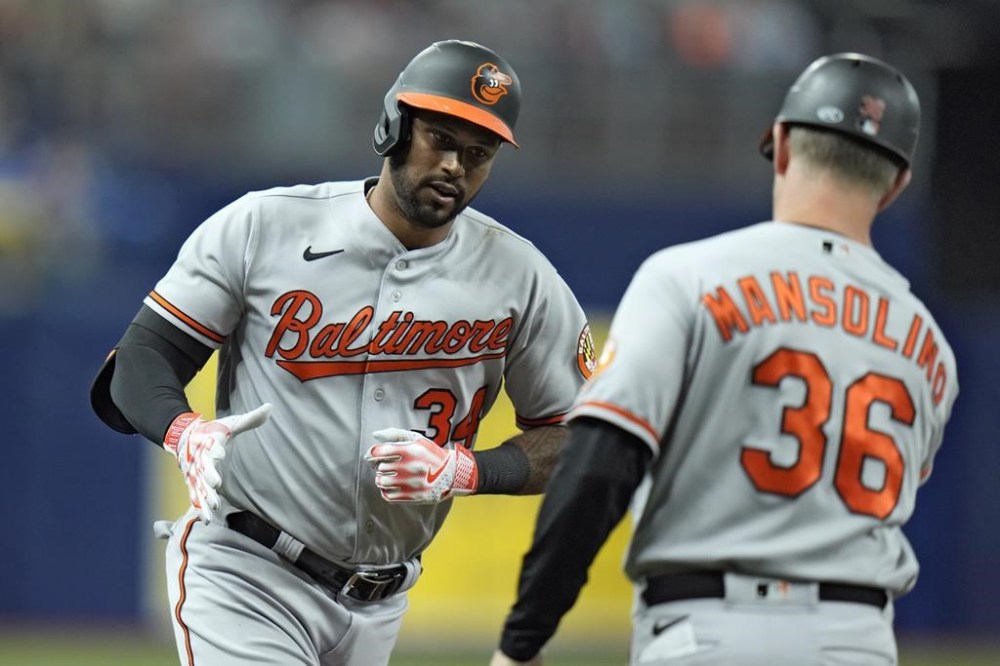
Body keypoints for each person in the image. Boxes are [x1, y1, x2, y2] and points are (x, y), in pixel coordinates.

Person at [89, 39, 596, 666]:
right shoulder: (264, 227)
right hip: (247, 571)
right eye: (439, 138)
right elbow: (140, 360)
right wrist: (182, 431)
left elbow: (582, 435)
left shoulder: (520, 276)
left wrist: (470, 471)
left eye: (478, 153)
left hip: (382, 602)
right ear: (393, 126)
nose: (455, 167)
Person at [491, 52, 958, 666]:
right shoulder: (932, 350)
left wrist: (524, 638)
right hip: (859, 638)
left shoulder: (689, 276)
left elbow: (600, 464)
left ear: (783, 144)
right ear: (897, 184)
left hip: (709, 629)